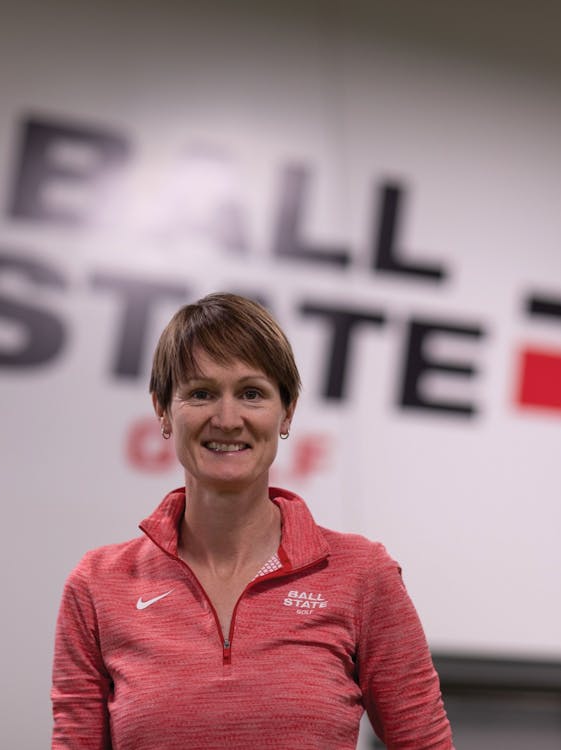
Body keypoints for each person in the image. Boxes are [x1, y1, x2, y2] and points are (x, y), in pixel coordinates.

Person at [51, 292, 454, 749]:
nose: (227, 418)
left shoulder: (361, 574)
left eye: (251, 393)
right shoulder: (98, 585)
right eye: (201, 393)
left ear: (287, 411)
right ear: (162, 410)